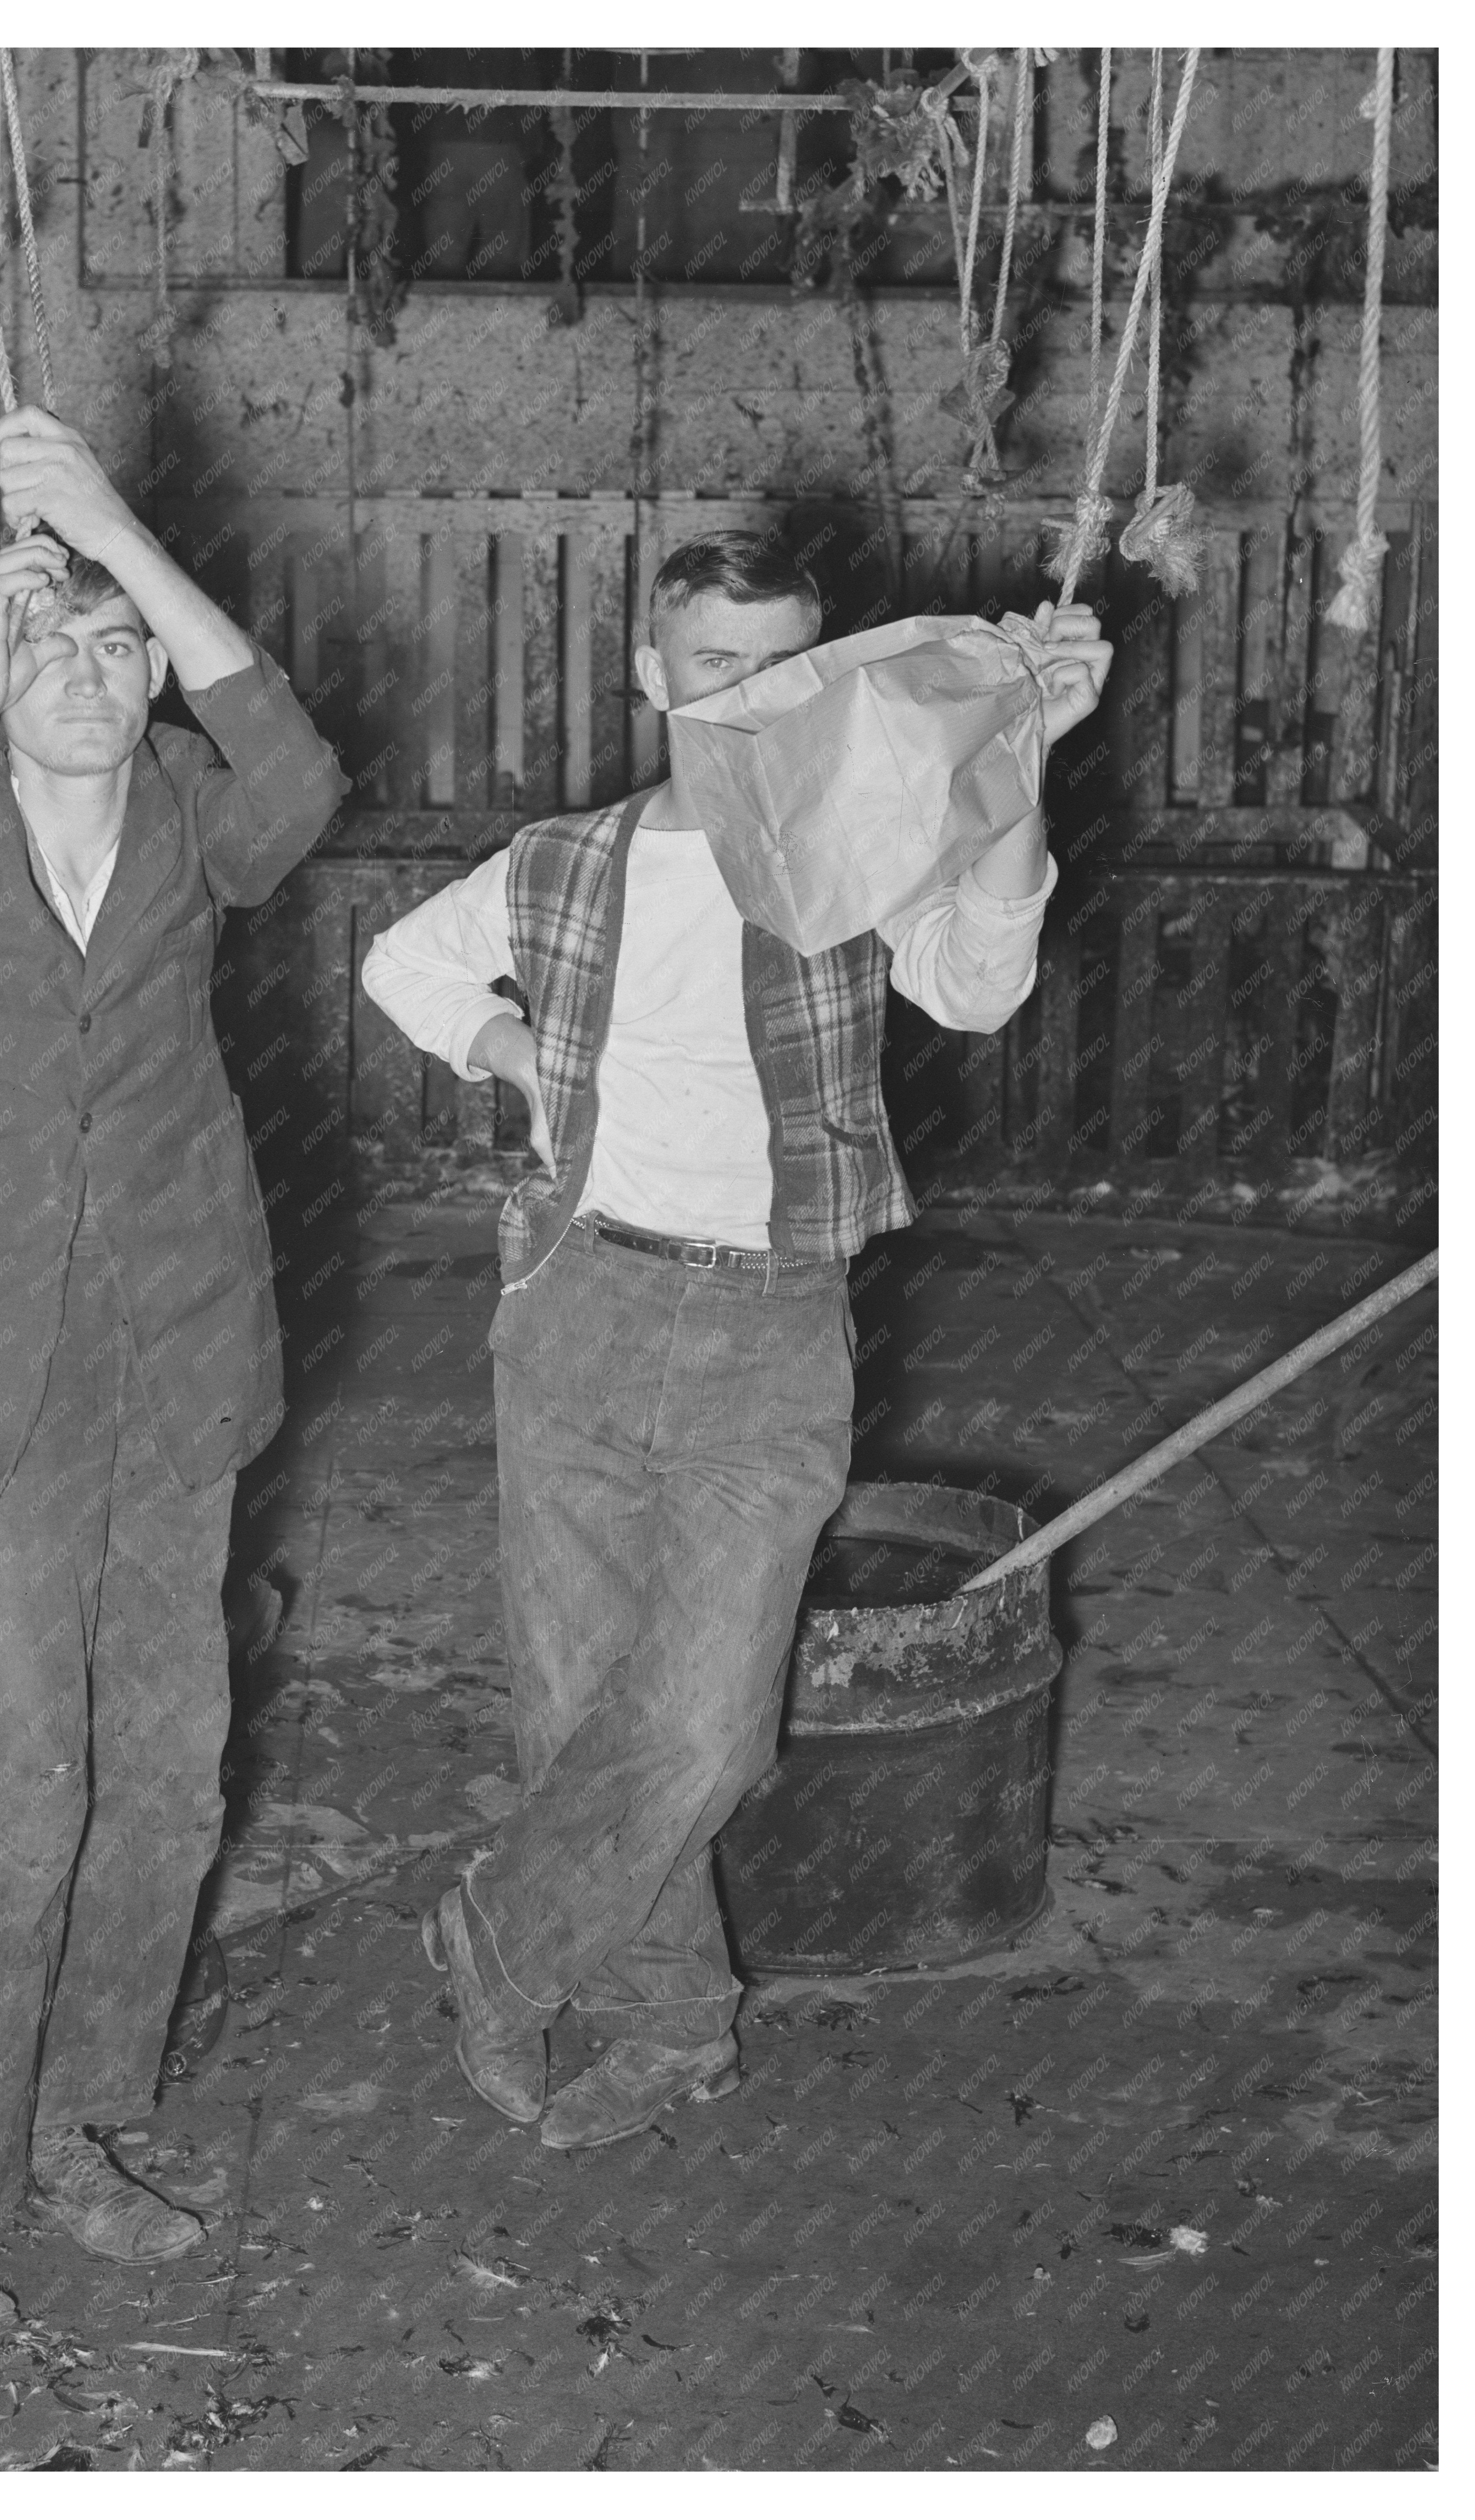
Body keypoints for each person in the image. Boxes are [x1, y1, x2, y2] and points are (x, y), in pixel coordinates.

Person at [362, 533, 1112, 2150]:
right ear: (654, 675)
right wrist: (521, 1053)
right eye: (714, 664)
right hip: (574, 1306)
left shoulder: (852, 854)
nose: (747, 694)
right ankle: (673, 2025)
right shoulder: (566, 858)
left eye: (779, 666)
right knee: (576, 1704)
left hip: (771, 1324)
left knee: (706, 1721)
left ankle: (499, 1936)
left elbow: (981, 987)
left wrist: (1016, 766)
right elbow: (399, 964)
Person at [0, 406, 348, 2332]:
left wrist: (111, 536)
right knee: (18, 1799)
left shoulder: (193, 800)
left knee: (170, 1784)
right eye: (56, 647)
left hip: (174, 1364)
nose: (94, 680)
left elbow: (300, 770)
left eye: (119, 647)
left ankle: (90, 2121)